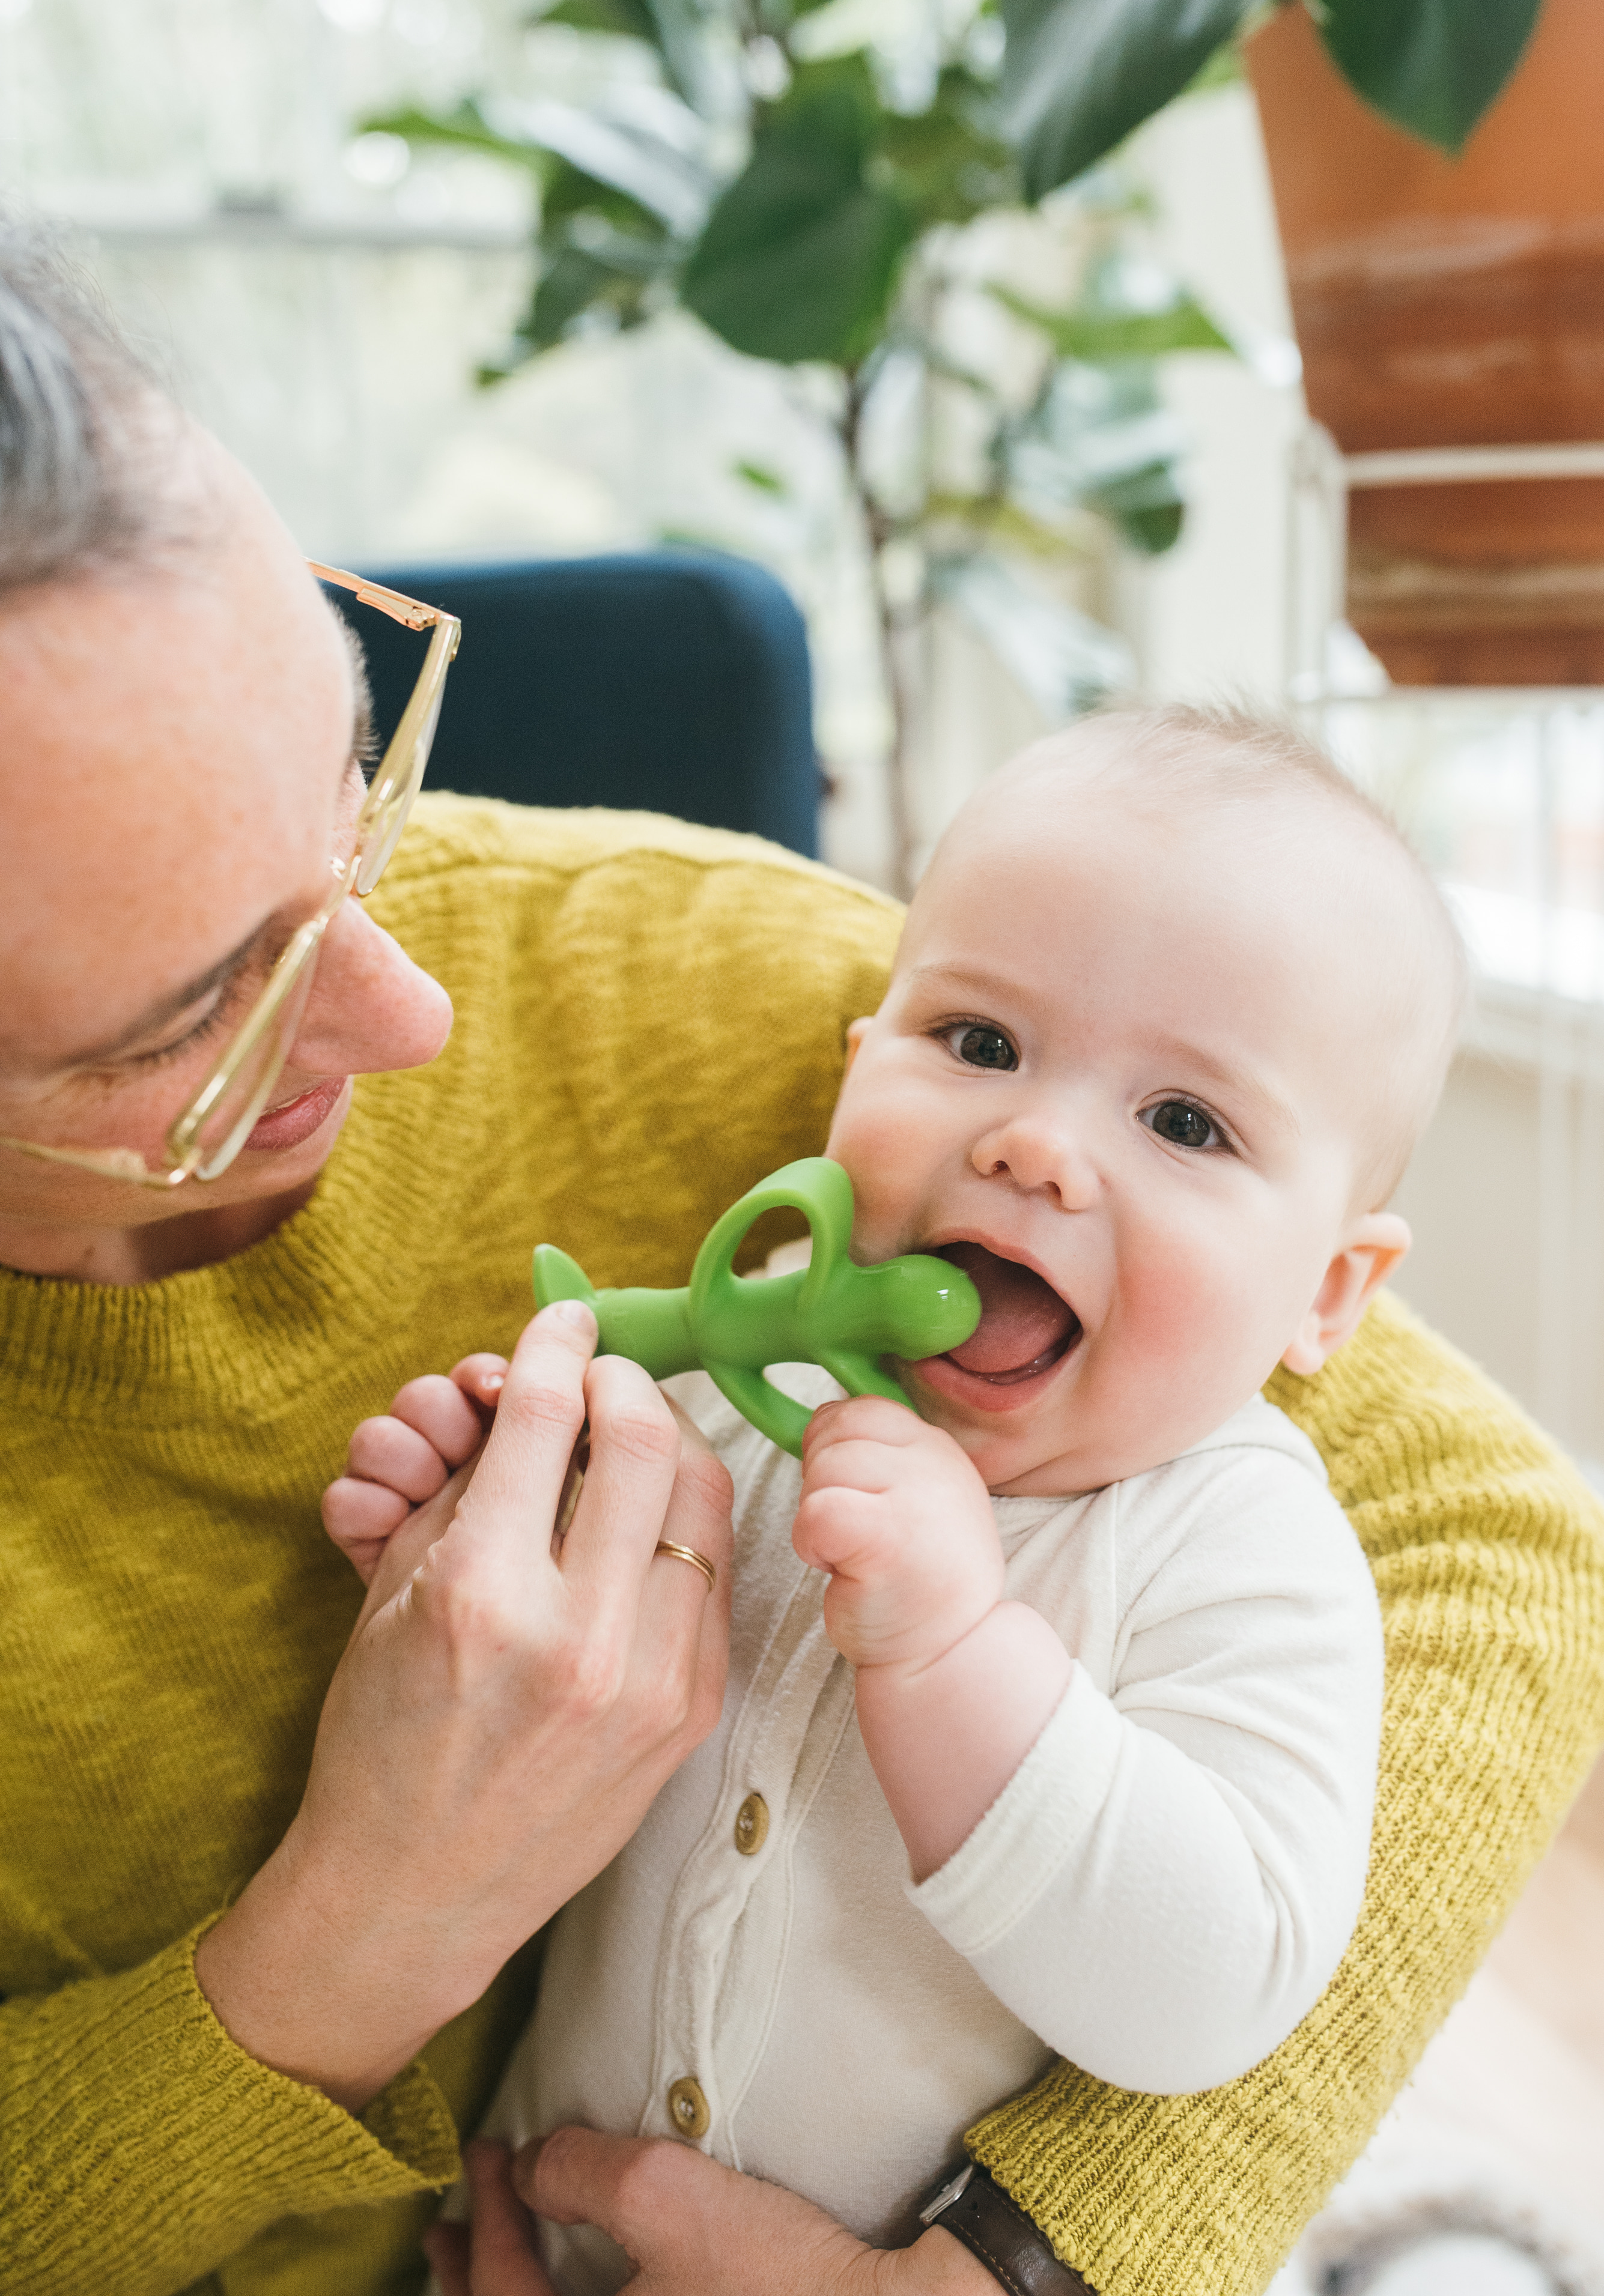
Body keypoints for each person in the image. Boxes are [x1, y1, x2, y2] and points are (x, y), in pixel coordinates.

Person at [0, 220, 1600, 2296]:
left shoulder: (1203, 1513)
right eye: (190, 1013)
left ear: (1334, 1299)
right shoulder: (768, 1385)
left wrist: (1002, 2278)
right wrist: (412, 1723)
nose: (407, 1011)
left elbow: (1481, 1581)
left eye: (360, 785)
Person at [333, 709, 1454, 2292]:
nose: (1035, 1147)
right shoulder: (730, 1406)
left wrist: (950, 1647)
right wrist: (466, 1564)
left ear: (1328, 1296)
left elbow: (1215, 1988)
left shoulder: (1244, 1550)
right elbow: (541, 1743)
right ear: (859, 1072)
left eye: (1184, 1122)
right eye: (980, 1044)